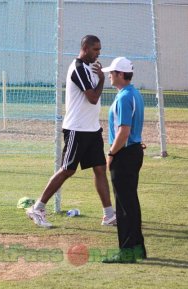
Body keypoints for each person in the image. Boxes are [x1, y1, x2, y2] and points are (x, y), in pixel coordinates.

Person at [26, 35, 116, 228]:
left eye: (99, 50)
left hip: (92, 129)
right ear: (85, 47)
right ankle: (37, 207)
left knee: (100, 169)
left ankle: (109, 215)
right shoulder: (78, 68)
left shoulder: (91, 68)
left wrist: (99, 76)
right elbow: (92, 97)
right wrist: (101, 80)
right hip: (77, 129)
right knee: (67, 169)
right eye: (95, 50)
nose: (98, 53)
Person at [101, 57, 147, 263]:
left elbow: (124, 132)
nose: (109, 75)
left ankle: (127, 251)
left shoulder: (122, 98)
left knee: (124, 205)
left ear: (120, 74)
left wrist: (111, 154)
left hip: (125, 153)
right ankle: (137, 248)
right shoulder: (134, 93)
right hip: (134, 151)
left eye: (112, 72)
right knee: (131, 202)